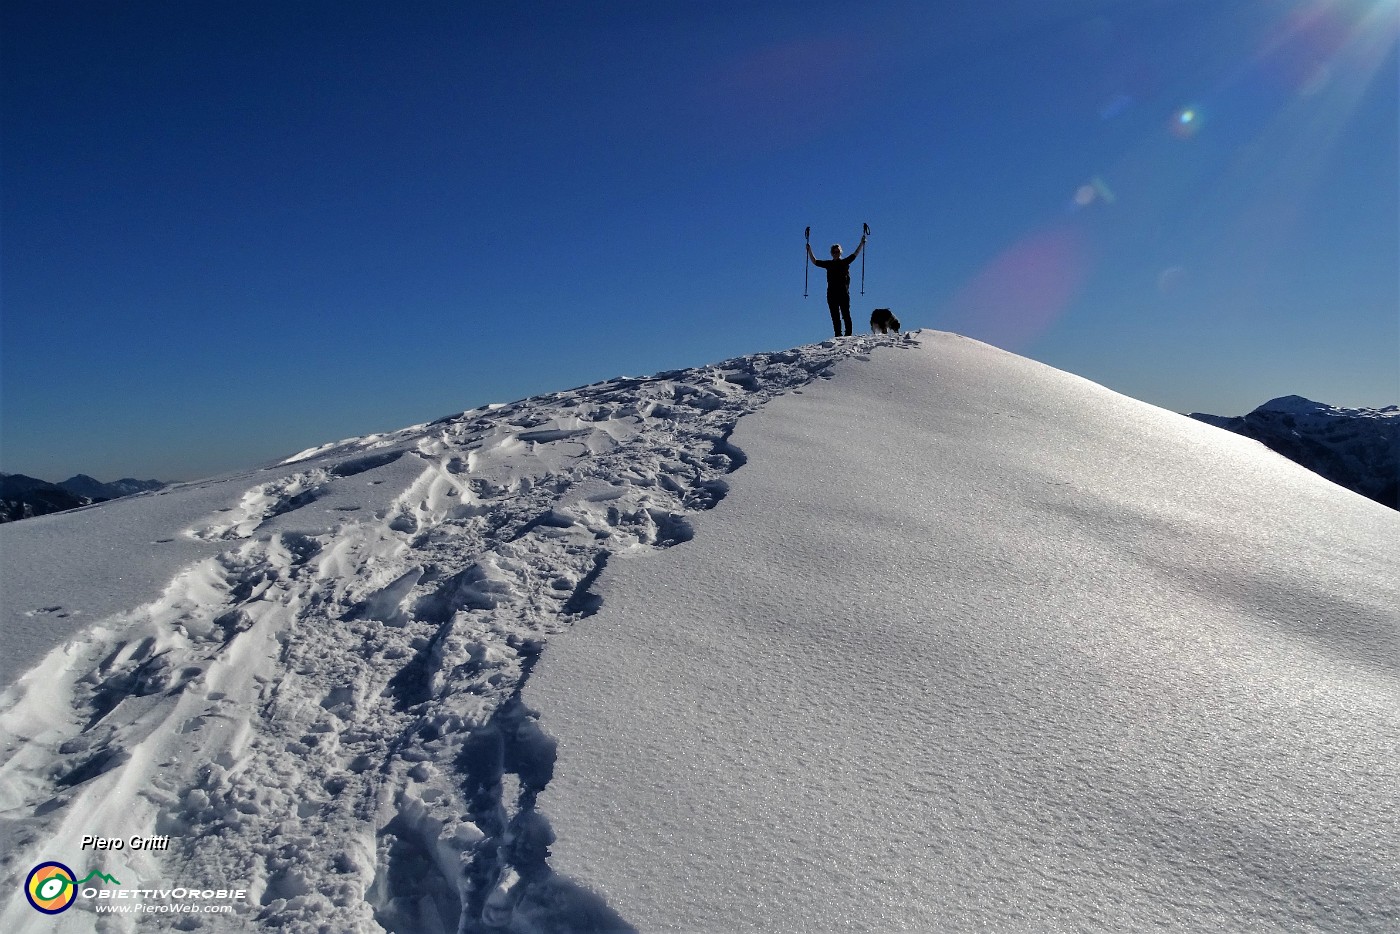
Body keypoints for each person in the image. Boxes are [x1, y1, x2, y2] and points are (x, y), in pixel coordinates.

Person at [808, 235, 866, 337]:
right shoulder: (829, 264)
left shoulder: (844, 262)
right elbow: (815, 261)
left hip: (843, 292)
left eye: (837, 251)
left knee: (845, 314)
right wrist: (809, 250)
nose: (836, 253)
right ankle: (838, 335)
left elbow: (855, 254)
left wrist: (862, 243)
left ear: (840, 252)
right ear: (831, 253)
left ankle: (848, 334)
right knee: (835, 316)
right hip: (831, 294)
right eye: (834, 252)